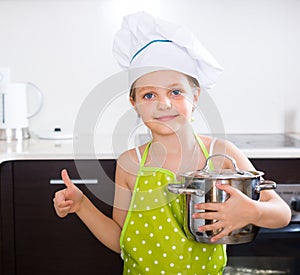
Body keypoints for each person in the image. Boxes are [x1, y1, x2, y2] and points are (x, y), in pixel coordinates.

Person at [53, 11, 291, 275]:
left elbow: (281, 213)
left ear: (196, 96)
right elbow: (121, 241)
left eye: (176, 92)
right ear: (134, 104)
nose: (163, 103)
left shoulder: (222, 155)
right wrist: (81, 205)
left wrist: (252, 212)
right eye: (149, 94)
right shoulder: (130, 164)